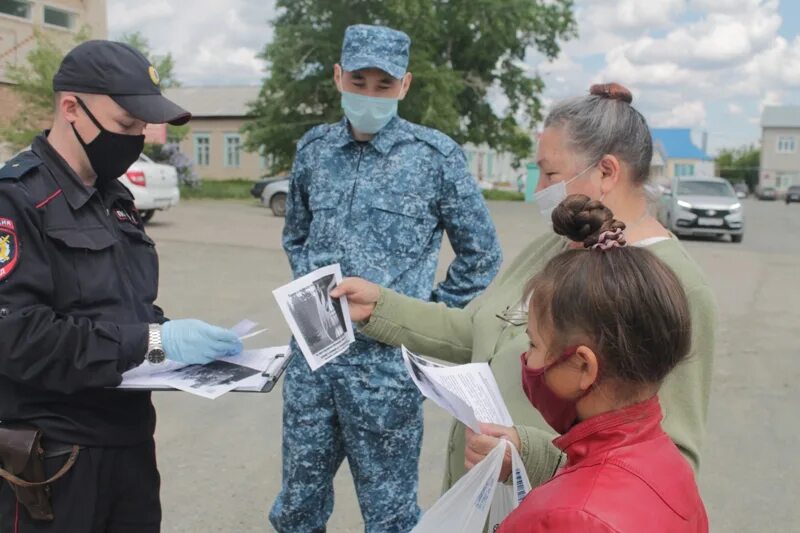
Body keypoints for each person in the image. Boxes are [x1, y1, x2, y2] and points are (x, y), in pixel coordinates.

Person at [332, 83, 716, 493]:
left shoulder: (673, 284)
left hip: (556, 512)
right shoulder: (555, 245)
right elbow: (484, 335)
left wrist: (534, 456)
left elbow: (670, 464)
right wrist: (380, 308)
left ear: (606, 172)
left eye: (550, 173)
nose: (538, 190)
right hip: (482, 499)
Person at [0, 40, 242, 532]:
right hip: (55, 460)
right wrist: (152, 342)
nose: (138, 139)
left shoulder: (115, 197)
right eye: (126, 126)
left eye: (141, 128)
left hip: (129, 446)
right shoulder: (16, 200)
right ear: (71, 108)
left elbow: (124, 306)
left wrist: (175, 339)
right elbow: (17, 336)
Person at [270, 24, 502, 533]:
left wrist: (421, 320)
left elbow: (482, 256)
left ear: (405, 85)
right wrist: (311, 302)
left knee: (391, 517)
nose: (369, 94)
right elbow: (297, 236)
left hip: (386, 375)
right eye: (358, 81)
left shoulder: (435, 158)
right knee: (296, 509)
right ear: (338, 77)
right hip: (314, 364)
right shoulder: (314, 151)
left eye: (383, 84)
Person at [495, 195, 708, 532]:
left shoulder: (566, 517)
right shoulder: (668, 463)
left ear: (583, 367)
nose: (526, 359)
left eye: (534, 343)